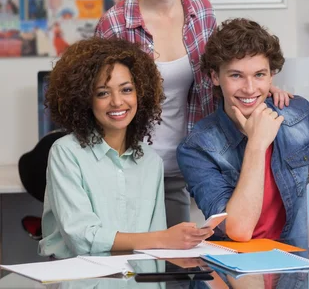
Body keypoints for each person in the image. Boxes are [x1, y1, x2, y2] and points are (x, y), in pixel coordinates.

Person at [95, 0, 291, 228]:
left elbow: (224, 65)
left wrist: (261, 83)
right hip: (129, 167)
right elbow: (98, 97)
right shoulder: (114, 23)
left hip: (191, 161)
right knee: (132, 265)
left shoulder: (201, 11)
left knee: (181, 268)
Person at [39, 37, 213, 259]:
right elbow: (81, 238)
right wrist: (163, 238)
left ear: (140, 93)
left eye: (126, 89)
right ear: (85, 99)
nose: (117, 102)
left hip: (135, 277)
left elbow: (153, 249)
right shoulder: (66, 153)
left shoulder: (151, 161)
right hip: (78, 276)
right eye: (103, 92)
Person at [177, 18, 309, 244]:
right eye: (236, 75)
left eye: (259, 75)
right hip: (237, 265)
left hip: (300, 257)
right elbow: (237, 230)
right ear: (214, 77)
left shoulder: (300, 115)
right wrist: (257, 144)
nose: (249, 88)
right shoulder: (197, 147)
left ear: (272, 76)